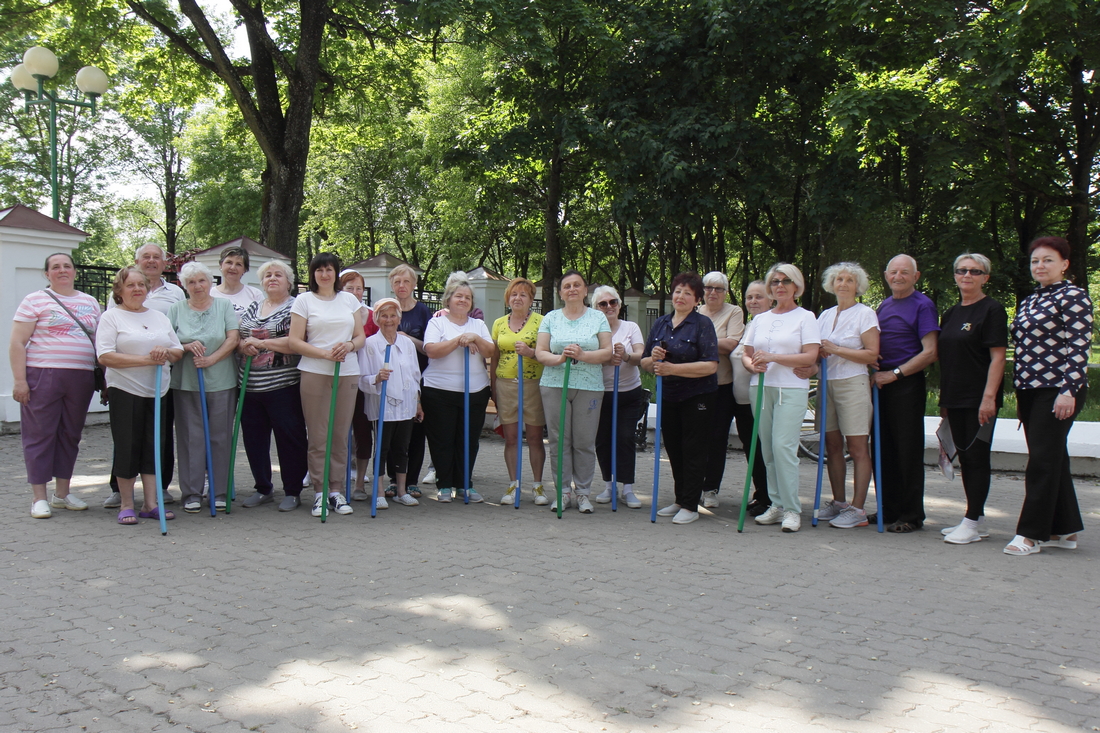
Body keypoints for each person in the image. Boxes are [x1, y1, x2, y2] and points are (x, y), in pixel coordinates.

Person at [1004, 237, 1092, 556]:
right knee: (1053, 457)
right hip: (1030, 390)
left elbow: (1079, 347)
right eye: (1035, 261)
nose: (1039, 266)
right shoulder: (1029, 300)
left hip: (1059, 390)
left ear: (1064, 264)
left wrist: (1068, 391)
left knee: (1041, 461)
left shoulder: (1073, 296)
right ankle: (1066, 529)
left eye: (1047, 260)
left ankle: (1031, 534)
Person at [11, 253, 102, 518]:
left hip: (80, 377)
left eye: (67, 266)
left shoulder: (90, 302)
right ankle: (39, 497)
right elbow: (17, 342)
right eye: (55, 267)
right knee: (39, 434)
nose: (62, 270)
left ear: (75, 271)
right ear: (47, 274)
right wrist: (20, 381)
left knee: (70, 434)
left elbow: (99, 342)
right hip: (43, 375)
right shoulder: (34, 300)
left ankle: (62, 493)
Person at [95, 266, 183, 525]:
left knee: (154, 446)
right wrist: (145, 359)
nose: (136, 289)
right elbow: (105, 355)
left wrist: (164, 354)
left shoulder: (158, 316)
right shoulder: (112, 317)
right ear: (119, 290)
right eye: (130, 285)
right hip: (125, 390)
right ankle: (125, 504)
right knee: (127, 446)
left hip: (158, 390)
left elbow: (177, 350)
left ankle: (150, 503)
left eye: (141, 285)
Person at [742, 263, 821, 533]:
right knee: (767, 449)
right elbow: (747, 354)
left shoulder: (806, 317)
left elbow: (810, 356)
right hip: (761, 387)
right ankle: (775, 504)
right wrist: (753, 366)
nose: (780, 285)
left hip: (791, 388)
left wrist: (774, 357)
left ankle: (792, 509)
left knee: (784, 447)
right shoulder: (760, 319)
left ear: (796, 286)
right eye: (775, 281)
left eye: (786, 281)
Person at [936, 254, 1008, 544]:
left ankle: (971, 522)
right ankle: (975, 518)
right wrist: (944, 402)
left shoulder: (992, 310)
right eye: (961, 270)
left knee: (976, 458)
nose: (967, 275)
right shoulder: (951, 313)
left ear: (985, 277)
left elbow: (998, 357)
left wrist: (989, 398)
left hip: (979, 399)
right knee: (965, 456)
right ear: (955, 275)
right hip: (954, 396)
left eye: (975, 271)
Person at [289, 253, 365, 517]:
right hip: (315, 371)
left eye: (329, 269)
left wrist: (349, 345)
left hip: (347, 372)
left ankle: (336, 490)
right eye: (319, 270)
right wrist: (323, 354)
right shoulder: (304, 300)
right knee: (319, 434)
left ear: (336, 273)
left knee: (340, 434)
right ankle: (320, 491)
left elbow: (360, 336)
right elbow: (295, 341)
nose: (324, 274)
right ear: (313, 274)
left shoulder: (349, 300)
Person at [641, 272, 719, 525]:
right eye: (677, 291)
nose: (681, 296)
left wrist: (673, 369)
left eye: (687, 293)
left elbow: (710, 365)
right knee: (673, 449)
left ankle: (690, 504)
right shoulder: (661, 323)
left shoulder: (702, 324)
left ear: (697, 299)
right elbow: (643, 362)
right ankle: (680, 498)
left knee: (693, 449)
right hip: (669, 396)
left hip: (697, 395)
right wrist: (653, 359)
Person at [536, 270, 612, 514]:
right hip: (555, 384)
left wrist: (582, 356)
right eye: (566, 286)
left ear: (585, 290)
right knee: (559, 441)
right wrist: (560, 359)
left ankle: (582, 493)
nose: (572, 289)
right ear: (560, 293)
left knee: (584, 441)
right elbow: (540, 352)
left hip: (589, 386)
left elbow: (607, 351)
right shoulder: (550, 318)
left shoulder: (598, 317)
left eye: (577, 285)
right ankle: (562, 492)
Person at [872, 255, 939, 533]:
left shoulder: (923, 305)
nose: (898, 277)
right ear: (886, 275)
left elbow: (930, 352)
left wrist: (895, 374)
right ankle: (889, 508)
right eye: (893, 272)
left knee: (907, 450)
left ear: (916, 276)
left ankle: (911, 514)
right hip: (880, 384)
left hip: (905, 383)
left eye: (904, 272)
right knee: (882, 447)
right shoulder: (884, 305)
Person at [236, 260, 309, 511]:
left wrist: (262, 344)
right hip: (250, 386)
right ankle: (263, 487)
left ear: (289, 281)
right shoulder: (254, 306)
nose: (272, 278)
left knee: (290, 439)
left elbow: (297, 341)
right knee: (254, 440)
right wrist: (242, 344)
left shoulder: (295, 306)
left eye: (278, 275)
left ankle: (292, 490)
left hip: (284, 386)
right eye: (267, 275)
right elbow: (240, 336)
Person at [168, 262, 240, 513]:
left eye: (202, 281)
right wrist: (185, 346)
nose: (197, 286)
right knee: (191, 437)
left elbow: (233, 337)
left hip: (221, 380)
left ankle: (220, 491)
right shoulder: (175, 309)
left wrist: (212, 358)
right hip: (187, 382)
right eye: (191, 282)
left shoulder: (223, 306)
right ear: (183, 285)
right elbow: (168, 340)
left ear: (210, 283)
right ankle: (191, 492)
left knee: (220, 436)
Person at [812, 263, 879, 529]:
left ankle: (858, 508)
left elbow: (872, 354)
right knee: (832, 445)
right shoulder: (825, 315)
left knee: (858, 447)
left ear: (858, 286)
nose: (843, 283)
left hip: (853, 382)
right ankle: (839, 502)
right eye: (839, 279)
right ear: (832, 284)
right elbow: (816, 349)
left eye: (849, 280)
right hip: (827, 382)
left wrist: (836, 349)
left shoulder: (865, 314)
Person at [422, 272, 497, 503]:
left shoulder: (479, 324)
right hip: (439, 391)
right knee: (442, 439)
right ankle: (444, 484)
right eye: (458, 296)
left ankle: (465, 484)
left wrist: (474, 336)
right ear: (448, 300)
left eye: (467, 297)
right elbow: (431, 350)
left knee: (468, 439)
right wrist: (459, 340)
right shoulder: (437, 322)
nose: (463, 300)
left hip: (474, 392)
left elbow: (490, 351)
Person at [359, 298, 423, 506]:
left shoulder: (407, 343)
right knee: (382, 448)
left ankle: (401, 491)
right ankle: (378, 493)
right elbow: (362, 379)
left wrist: (418, 403)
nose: (389, 320)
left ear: (399, 318)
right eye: (384, 316)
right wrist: (376, 378)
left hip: (406, 405)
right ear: (377, 319)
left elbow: (415, 376)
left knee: (402, 448)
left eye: (393, 315)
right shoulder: (370, 345)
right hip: (382, 406)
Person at [490, 277, 548, 505]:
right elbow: (494, 357)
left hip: (533, 384)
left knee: (534, 437)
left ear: (531, 300)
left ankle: (538, 485)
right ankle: (513, 484)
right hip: (505, 385)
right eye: (514, 294)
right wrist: (493, 386)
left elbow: (547, 351)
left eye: (523, 294)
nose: (518, 298)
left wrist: (531, 352)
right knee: (511, 438)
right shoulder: (498, 323)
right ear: (508, 298)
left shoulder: (542, 322)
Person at [591, 285, 645, 509]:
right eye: (603, 304)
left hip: (629, 393)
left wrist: (626, 356)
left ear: (620, 304)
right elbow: (588, 357)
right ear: (595, 308)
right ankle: (608, 485)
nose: (608, 307)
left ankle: (628, 488)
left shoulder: (630, 327)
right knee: (603, 441)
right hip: (601, 393)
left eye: (612, 302)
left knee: (624, 437)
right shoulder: (592, 330)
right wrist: (605, 359)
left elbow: (641, 355)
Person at [697, 272, 745, 510]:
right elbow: (720, 343)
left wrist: (698, 341)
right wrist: (715, 342)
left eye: (718, 288)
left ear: (726, 292)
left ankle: (711, 489)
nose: (712, 292)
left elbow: (731, 344)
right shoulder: (695, 313)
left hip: (722, 386)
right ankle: (693, 487)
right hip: (695, 385)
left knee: (716, 439)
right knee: (696, 438)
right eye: (708, 288)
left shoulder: (734, 312)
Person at [389, 264, 432, 497]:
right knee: (391, 429)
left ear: (414, 284)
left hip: (417, 379)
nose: (401, 286)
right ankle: (393, 479)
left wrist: (407, 339)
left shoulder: (423, 312)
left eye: (406, 282)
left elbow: (428, 349)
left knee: (415, 430)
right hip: (391, 378)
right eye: (397, 282)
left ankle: (412, 479)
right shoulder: (386, 310)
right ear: (391, 285)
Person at [340, 269, 379, 502]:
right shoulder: (333, 312)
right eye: (349, 288)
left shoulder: (372, 315)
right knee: (335, 431)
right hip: (340, 378)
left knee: (363, 432)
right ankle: (331, 476)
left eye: (358, 288)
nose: (355, 293)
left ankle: (359, 481)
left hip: (365, 381)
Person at [732, 281, 771, 516]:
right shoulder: (749, 326)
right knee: (752, 449)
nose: (753, 301)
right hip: (742, 401)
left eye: (759, 297)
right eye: (749, 297)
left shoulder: (769, 327)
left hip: (762, 398)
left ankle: (770, 497)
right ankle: (761, 494)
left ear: (771, 300)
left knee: (766, 449)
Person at [210, 246, 263, 316]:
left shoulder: (255, 294)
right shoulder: (209, 294)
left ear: (244, 269)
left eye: (238, 264)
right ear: (221, 265)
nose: (233, 267)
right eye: (229, 262)